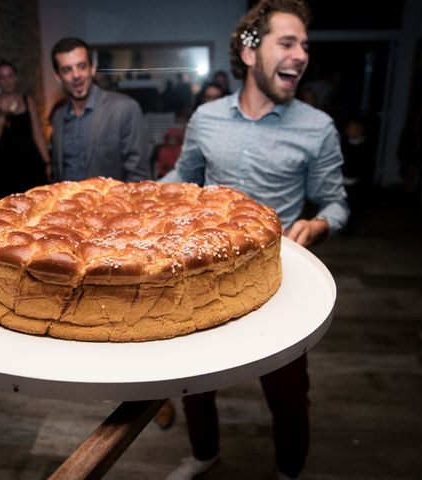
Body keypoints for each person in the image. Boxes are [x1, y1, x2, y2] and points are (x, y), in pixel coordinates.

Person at [163, 1, 349, 479]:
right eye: (287, 42)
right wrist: (137, 198)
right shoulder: (205, 118)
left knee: (288, 394)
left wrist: (318, 225)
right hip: (203, 275)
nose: (301, 54)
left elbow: (336, 203)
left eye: (305, 45)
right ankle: (204, 454)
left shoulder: (317, 127)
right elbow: (181, 178)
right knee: (193, 380)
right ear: (249, 52)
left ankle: (290, 470)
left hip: (276, 282)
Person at [49, 37, 150, 182]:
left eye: (82, 66)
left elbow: (138, 175)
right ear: (58, 76)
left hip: (112, 204)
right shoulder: (58, 117)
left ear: (93, 68)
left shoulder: (124, 108)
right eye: (67, 70)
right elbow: (58, 173)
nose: (76, 75)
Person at [0, 60, 50, 203]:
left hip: (30, 164)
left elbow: (37, 133)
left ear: (16, 78)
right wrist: (2, 116)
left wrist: (47, 162)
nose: (7, 81)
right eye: (2, 77)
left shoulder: (27, 101)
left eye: (10, 76)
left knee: (36, 205)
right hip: (4, 169)